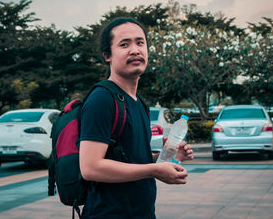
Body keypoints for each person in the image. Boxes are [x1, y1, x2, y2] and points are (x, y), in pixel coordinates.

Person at [79, 17, 194, 219]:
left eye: (140, 42)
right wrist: (154, 170)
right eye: (124, 44)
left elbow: (131, 160)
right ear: (107, 55)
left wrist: (165, 160)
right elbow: (90, 167)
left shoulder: (138, 102)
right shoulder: (102, 98)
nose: (135, 50)